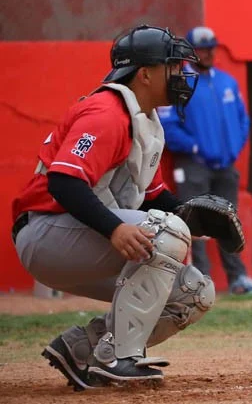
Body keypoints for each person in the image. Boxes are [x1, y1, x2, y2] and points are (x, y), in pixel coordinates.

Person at [11, 25, 215, 388]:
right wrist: (115, 229)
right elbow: (63, 181)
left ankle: (82, 348)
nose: (181, 75)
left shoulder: (144, 120)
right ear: (145, 74)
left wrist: (201, 217)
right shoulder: (106, 112)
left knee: (193, 293)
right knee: (166, 233)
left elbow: (154, 197)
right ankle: (120, 357)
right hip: (46, 233)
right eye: (172, 66)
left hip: (81, 238)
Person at [159, 26, 252, 296]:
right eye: (201, 49)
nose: (207, 54)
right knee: (193, 221)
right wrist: (194, 147)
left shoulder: (227, 82)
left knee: (229, 222)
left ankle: (238, 279)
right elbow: (167, 124)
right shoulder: (179, 82)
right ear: (191, 51)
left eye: (211, 49)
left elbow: (243, 119)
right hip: (193, 164)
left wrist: (234, 148)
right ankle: (199, 281)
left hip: (225, 165)